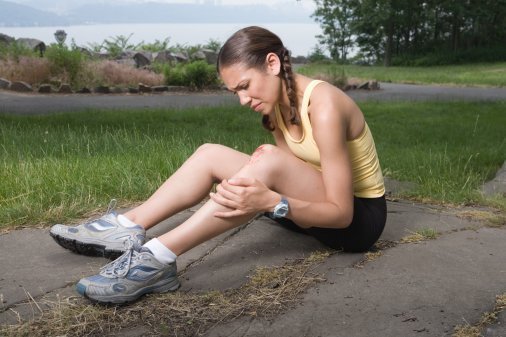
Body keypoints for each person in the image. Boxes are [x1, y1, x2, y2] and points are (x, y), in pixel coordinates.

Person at [50, 26, 387, 304]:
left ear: (272, 64)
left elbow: (341, 214)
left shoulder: (324, 105)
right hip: (306, 211)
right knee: (210, 152)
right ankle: (126, 225)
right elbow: (295, 169)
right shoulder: (276, 103)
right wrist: (263, 180)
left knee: (266, 161)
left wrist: (271, 200)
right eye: (234, 92)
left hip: (356, 223)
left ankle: (156, 258)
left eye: (244, 87)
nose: (243, 100)